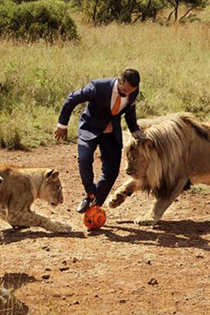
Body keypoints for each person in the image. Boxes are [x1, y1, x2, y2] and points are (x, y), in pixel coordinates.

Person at [55, 68, 144, 213]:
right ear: (119, 80)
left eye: (131, 91)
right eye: (125, 89)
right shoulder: (97, 87)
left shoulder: (133, 91)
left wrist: (136, 132)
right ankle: (90, 194)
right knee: (84, 159)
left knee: (112, 170)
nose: (128, 93)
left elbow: (129, 114)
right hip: (89, 128)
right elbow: (72, 99)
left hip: (111, 132)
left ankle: (95, 203)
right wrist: (62, 125)